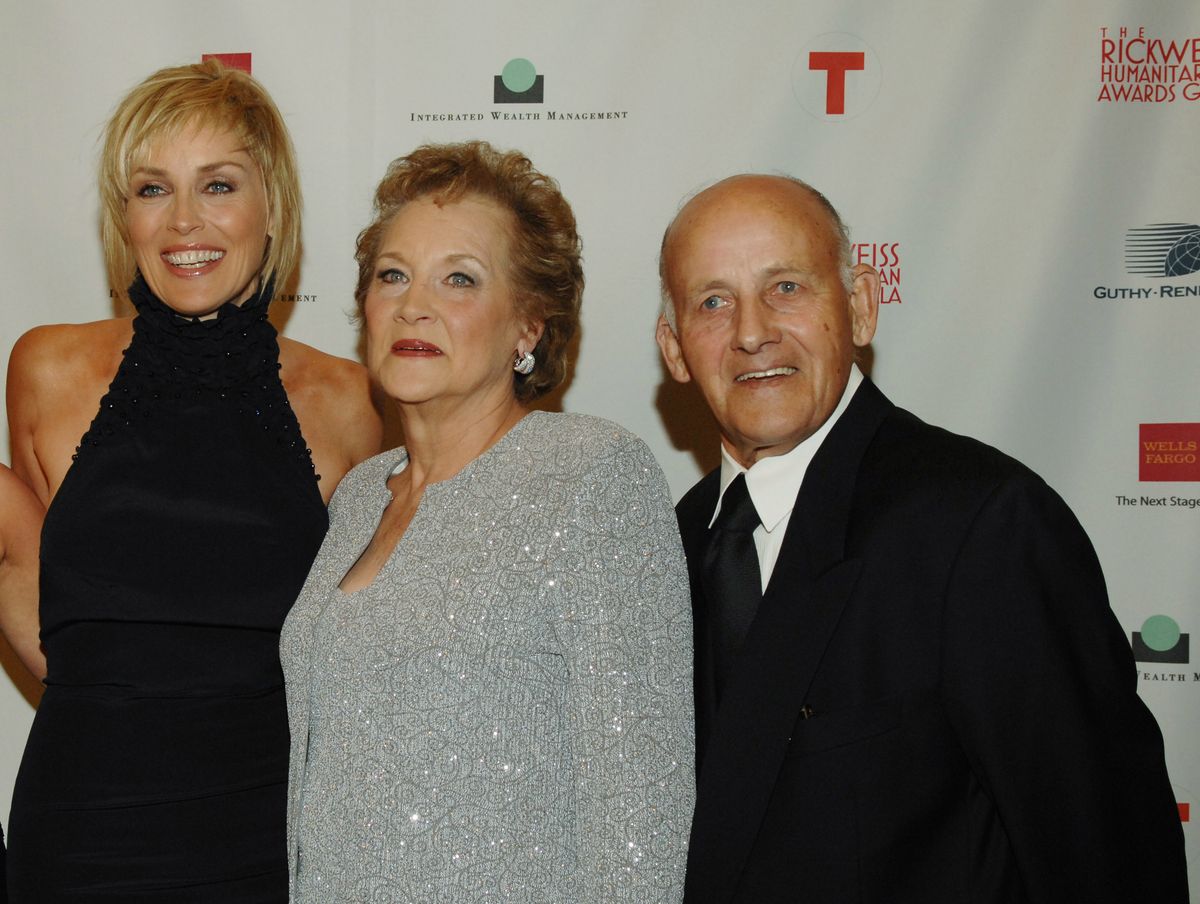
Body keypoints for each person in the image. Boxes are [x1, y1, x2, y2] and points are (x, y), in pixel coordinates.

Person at [654, 174, 1188, 904]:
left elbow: (1108, 858)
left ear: (863, 307)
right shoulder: (663, 548)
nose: (751, 331)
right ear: (675, 349)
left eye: (787, 288)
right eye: (713, 302)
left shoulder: (980, 526)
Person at [5, 60, 380, 901]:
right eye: (151, 189)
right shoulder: (44, 369)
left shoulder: (351, 401)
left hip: (267, 842)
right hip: (76, 835)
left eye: (218, 185)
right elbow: (43, 606)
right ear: (122, 215)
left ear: (271, 207)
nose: (184, 222)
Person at [281, 141, 694, 902]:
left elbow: (641, 802)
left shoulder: (592, 474)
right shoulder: (357, 499)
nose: (414, 305)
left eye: (460, 279)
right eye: (392, 275)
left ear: (527, 326)